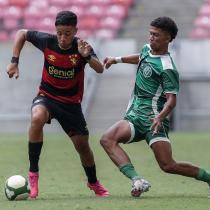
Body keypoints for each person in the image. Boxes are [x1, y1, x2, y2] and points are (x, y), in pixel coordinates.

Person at [100, 16, 210, 198]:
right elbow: (140, 57)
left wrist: (160, 117)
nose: (151, 38)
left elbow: (172, 100)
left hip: (154, 120)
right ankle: (137, 180)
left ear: (167, 38)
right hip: (135, 116)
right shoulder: (147, 49)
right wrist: (116, 59)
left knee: (168, 165)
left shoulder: (167, 68)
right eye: (150, 34)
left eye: (156, 35)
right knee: (107, 139)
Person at [6, 10, 110, 199]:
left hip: (71, 104)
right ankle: (33, 176)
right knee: (37, 117)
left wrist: (87, 57)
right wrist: (14, 62)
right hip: (47, 96)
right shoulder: (47, 41)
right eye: (59, 33)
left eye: (67, 33)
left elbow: (100, 69)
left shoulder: (82, 47)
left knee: (83, 147)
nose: (62, 38)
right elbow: (21, 33)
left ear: (75, 30)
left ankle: (93, 182)